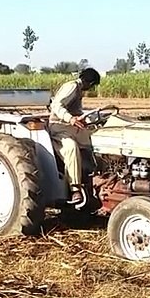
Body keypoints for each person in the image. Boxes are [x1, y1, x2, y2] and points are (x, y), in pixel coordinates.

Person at [48, 67, 102, 205]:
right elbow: (57, 105)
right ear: (88, 82)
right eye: (92, 85)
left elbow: (76, 110)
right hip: (59, 127)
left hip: (71, 127)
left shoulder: (79, 91)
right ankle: (75, 189)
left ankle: (98, 176)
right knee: (71, 148)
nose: (91, 88)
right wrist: (70, 119)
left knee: (95, 143)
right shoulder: (72, 86)